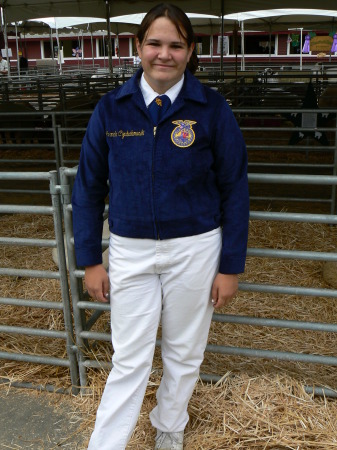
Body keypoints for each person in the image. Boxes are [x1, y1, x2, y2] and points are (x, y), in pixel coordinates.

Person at [71, 3, 249, 449]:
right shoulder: (112, 110)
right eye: (154, 43)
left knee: (184, 351)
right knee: (129, 357)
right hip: (130, 249)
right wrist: (91, 259)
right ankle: (105, 444)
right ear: (138, 47)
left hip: (195, 248)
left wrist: (231, 266)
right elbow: (89, 189)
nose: (163, 54)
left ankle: (169, 427)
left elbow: (235, 188)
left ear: (190, 51)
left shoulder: (211, 109)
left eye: (175, 45)